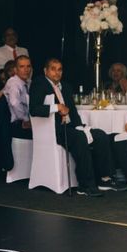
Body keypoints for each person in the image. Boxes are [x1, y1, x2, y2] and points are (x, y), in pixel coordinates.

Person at [29, 58, 115, 197]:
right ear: (45, 71)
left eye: (60, 69)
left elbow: (73, 112)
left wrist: (81, 126)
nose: (57, 73)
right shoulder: (40, 83)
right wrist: (57, 107)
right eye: (53, 69)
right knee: (79, 138)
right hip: (54, 130)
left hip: (70, 126)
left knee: (100, 135)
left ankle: (104, 178)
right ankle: (85, 185)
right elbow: (34, 109)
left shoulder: (66, 86)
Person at [3, 55, 34, 140]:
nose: (26, 70)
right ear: (15, 70)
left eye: (28, 66)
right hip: (18, 125)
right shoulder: (14, 82)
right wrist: (26, 119)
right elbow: (14, 103)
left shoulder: (29, 82)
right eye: (22, 66)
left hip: (28, 124)